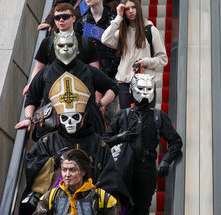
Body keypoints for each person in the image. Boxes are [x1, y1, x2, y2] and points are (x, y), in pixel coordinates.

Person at [22, 72, 129, 213]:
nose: (70, 122)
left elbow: (111, 178)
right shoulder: (48, 141)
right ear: (59, 117)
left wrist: (97, 195)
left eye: (75, 117)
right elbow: (32, 168)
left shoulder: (98, 143)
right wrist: (53, 162)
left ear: (83, 117)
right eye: (66, 118)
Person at [104, 74, 182, 215]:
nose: (145, 92)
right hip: (124, 166)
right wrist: (120, 137)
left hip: (147, 167)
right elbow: (105, 141)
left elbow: (176, 141)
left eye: (148, 88)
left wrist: (166, 161)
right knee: (124, 208)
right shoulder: (123, 115)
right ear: (132, 89)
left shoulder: (158, 116)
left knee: (142, 208)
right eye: (141, 88)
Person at [15, 31, 117, 135]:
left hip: (88, 128)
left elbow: (113, 87)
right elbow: (32, 98)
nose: (65, 48)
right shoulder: (45, 73)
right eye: (61, 45)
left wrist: (101, 104)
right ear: (55, 47)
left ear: (76, 47)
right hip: (55, 131)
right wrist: (28, 118)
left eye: (69, 45)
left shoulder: (88, 71)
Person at [101, 0, 168, 109]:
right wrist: (118, 17)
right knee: (127, 121)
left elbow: (163, 59)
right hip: (125, 84)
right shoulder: (123, 32)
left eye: (133, 7)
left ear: (138, 8)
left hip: (145, 84)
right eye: (127, 9)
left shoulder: (150, 30)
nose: (131, 11)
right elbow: (105, 39)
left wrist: (145, 62)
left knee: (145, 122)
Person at [23, 3, 99, 95]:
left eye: (65, 17)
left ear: (73, 18)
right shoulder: (47, 42)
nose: (61, 20)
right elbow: (38, 68)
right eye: (57, 18)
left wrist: (97, 94)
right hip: (54, 92)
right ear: (54, 21)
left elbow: (95, 71)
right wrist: (31, 84)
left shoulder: (86, 42)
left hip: (82, 92)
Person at [74, 0, 121, 126]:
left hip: (111, 76)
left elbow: (121, 49)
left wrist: (106, 73)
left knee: (112, 118)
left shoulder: (114, 20)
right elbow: (77, 52)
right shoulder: (81, 23)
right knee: (88, 117)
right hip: (87, 78)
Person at [34, 149, 119, 215]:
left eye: (72, 170)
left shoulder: (102, 198)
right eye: (64, 170)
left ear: (84, 172)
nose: (67, 174)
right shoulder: (50, 196)